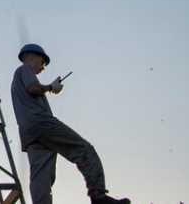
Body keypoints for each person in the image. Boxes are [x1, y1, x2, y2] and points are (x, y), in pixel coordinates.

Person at [10, 43, 130, 204]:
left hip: (29, 133)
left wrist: (48, 88)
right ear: (32, 57)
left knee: (41, 176)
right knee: (83, 149)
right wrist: (51, 87)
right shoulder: (24, 70)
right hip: (42, 123)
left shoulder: (17, 81)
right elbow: (33, 88)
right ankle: (98, 196)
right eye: (43, 62)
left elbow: (33, 90)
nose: (43, 68)